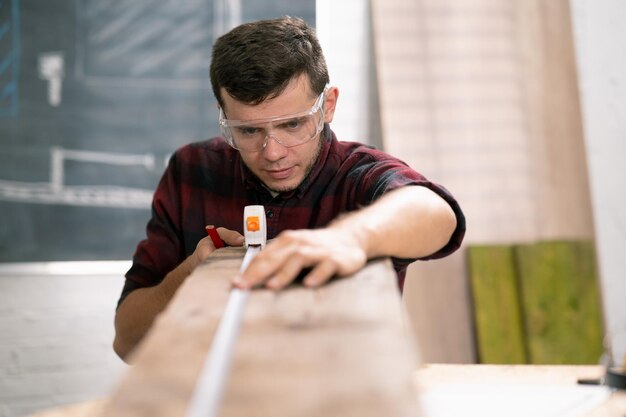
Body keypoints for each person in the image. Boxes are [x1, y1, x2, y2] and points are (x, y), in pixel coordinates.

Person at [113, 16, 465, 361]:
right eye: (249, 131)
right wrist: (190, 274)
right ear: (222, 116)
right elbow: (128, 342)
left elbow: (436, 213)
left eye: (293, 124)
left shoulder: (357, 174)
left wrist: (349, 238)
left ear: (328, 105)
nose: (273, 152)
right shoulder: (191, 171)